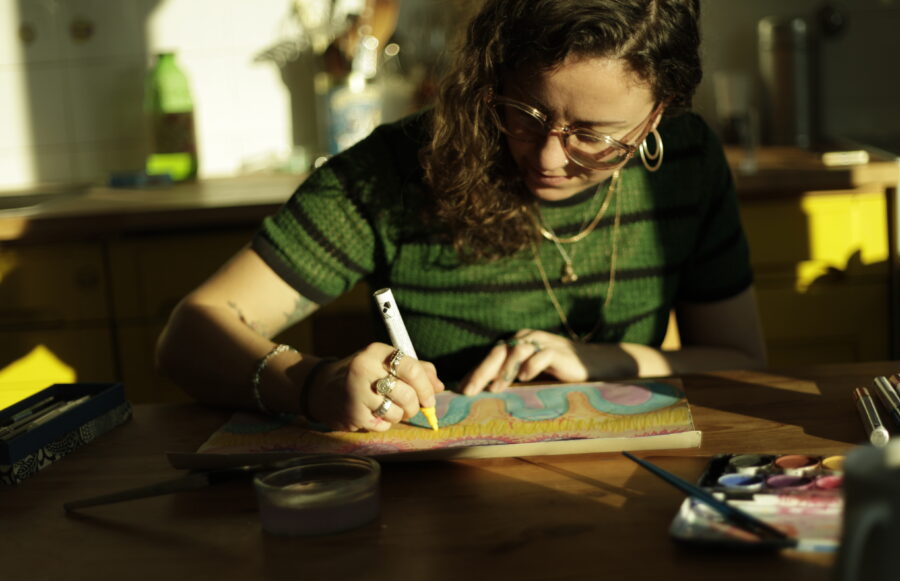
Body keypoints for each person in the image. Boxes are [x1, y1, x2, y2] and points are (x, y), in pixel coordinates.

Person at [156, 0, 766, 433]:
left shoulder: (689, 161)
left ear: (658, 114)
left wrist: (605, 361)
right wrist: (311, 383)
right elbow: (189, 335)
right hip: (440, 505)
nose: (550, 156)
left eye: (593, 135)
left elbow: (738, 357)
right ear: (493, 75)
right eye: (525, 112)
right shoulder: (395, 171)